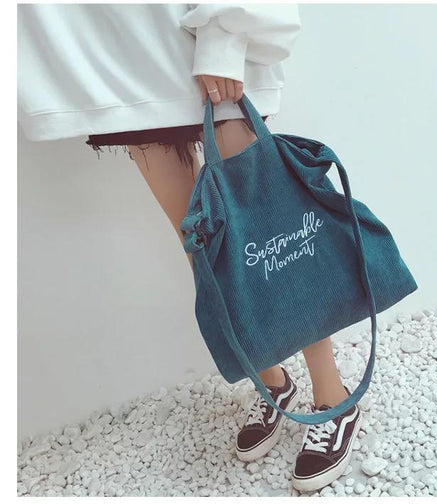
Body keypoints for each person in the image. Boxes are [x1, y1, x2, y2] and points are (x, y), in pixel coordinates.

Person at [17, 3, 361, 492]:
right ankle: (272, 380)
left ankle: (333, 396)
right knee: (205, 252)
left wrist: (224, 37)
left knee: (272, 243)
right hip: (122, 70)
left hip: (199, 47)